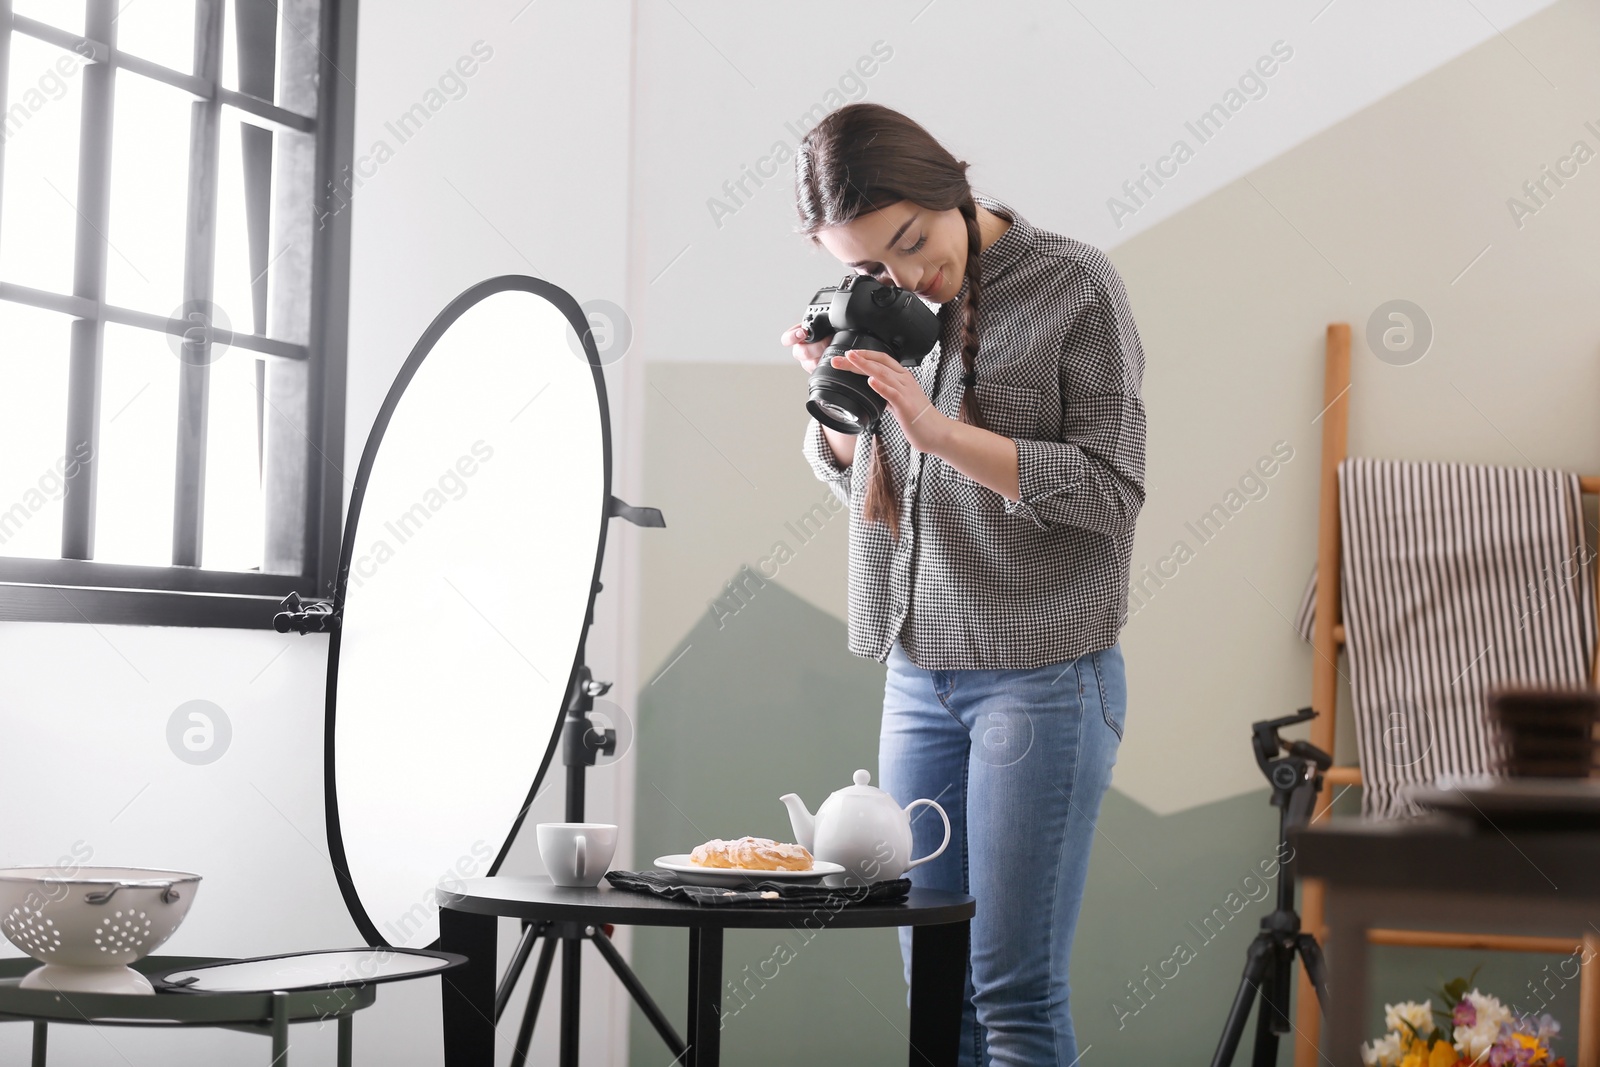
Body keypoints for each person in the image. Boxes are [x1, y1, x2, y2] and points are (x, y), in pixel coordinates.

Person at [779, 102, 1147, 1067]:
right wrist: (836, 413)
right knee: (934, 993)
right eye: (869, 267)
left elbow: (1112, 491)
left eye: (912, 242)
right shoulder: (877, 302)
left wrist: (940, 431)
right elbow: (876, 482)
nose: (906, 278)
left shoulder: (1074, 286)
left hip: (1044, 677)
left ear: (953, 184)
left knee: (1011, 991)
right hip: (918, 673)